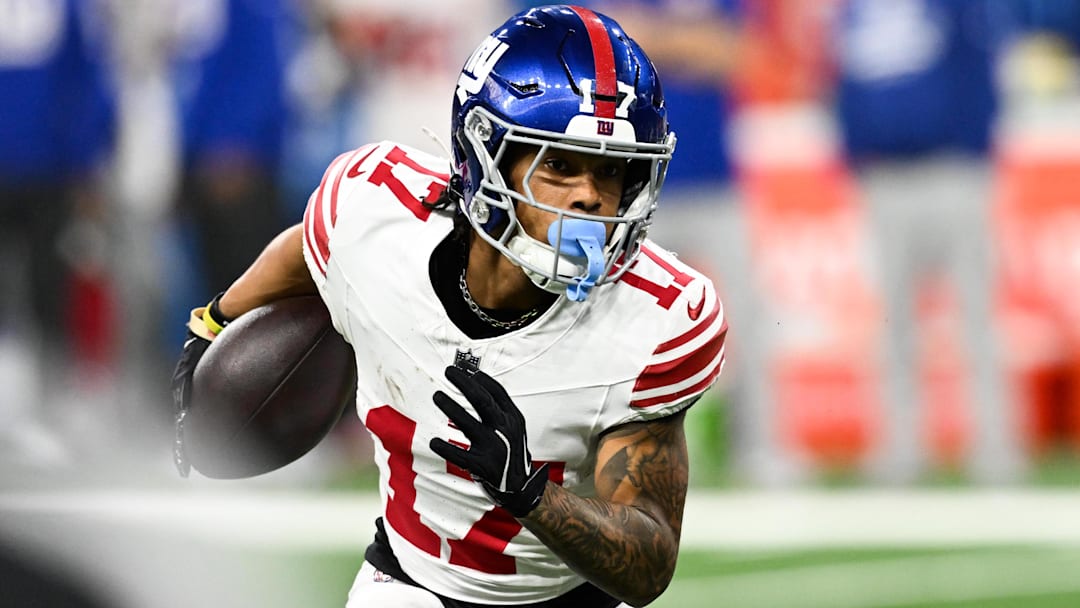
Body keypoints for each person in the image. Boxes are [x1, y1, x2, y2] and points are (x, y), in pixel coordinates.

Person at [172, 5, 727, 607]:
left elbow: (648, 564)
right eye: (560, 165)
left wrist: (531, 494)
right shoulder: (375, 215)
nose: (590, 198)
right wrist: (217, 321)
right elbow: (306, 246)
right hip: (408, 580)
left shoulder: (656, 318)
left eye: (612, 171)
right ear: (487, 157)